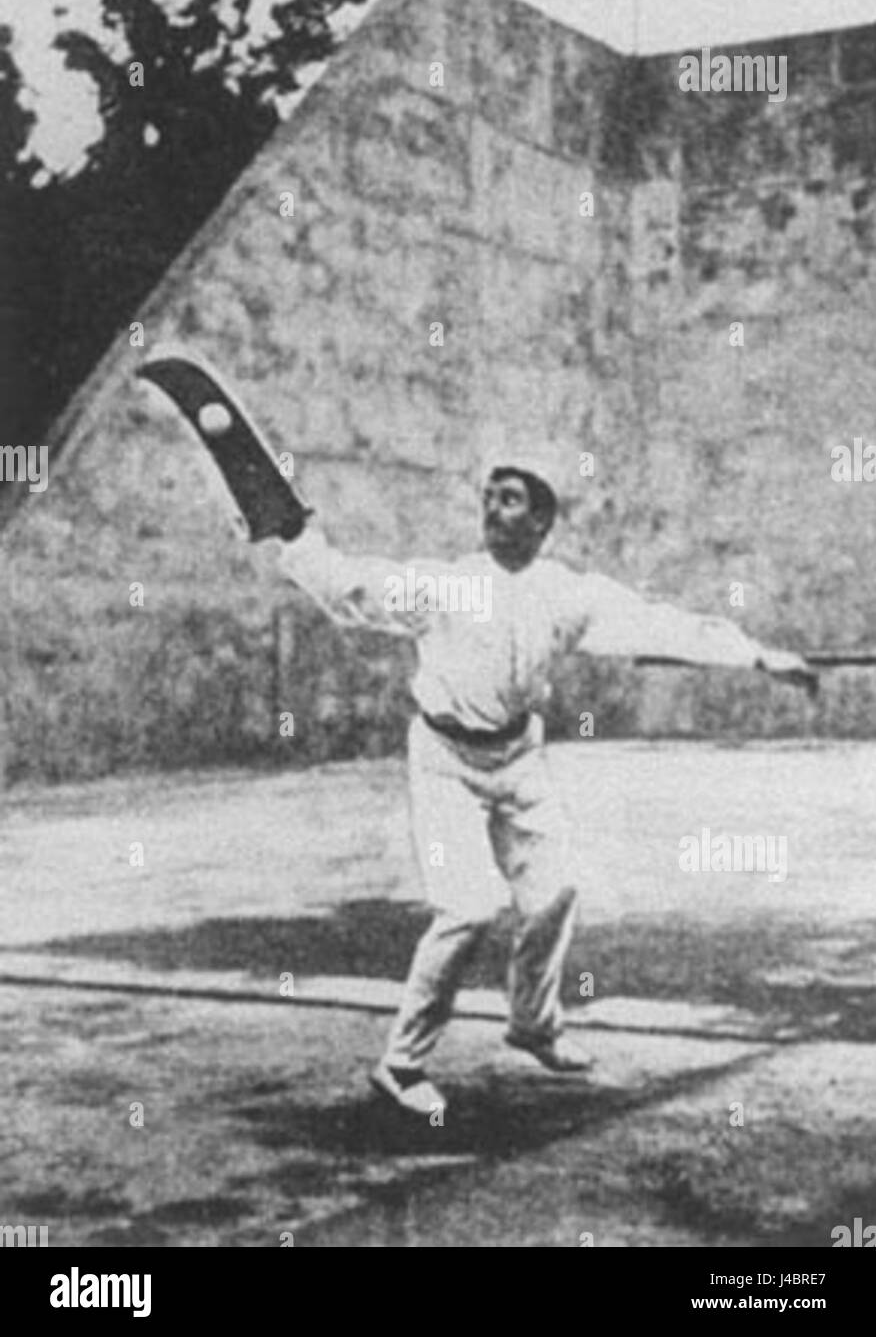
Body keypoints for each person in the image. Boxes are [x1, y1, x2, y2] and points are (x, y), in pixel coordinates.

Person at [277, 448, 815, 1117]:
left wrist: (760, 657)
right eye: (489, 497)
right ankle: (402, 1064)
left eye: (510, 499)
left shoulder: (569, 593)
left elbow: (664, 625)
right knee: (469, 907)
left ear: (542, 523)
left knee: (556, 888)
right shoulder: (447, 584)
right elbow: (352, 590)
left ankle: (533, 1024)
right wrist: (300, 542)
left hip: (520, 760)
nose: (492, 510)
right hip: (445, 759)